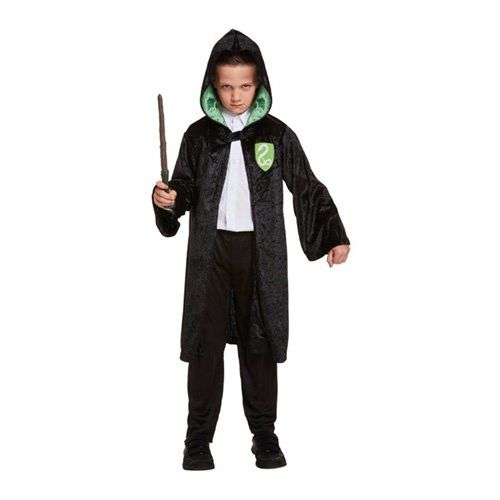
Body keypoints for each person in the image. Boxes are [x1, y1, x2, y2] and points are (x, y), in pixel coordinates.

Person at [151, 29, 351, 470]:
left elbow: (306, 186)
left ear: (259, 85)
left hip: (261, 254)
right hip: (210, 253)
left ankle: (264, 436)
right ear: (212, 84)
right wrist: (168, 199)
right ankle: (197, 440)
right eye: (226, 86)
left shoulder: (277, 135)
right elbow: (183, 186)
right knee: (204, 345)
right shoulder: (198, 136)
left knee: (258, 342)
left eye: (244, 85)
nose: (236, 95)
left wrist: (333, 235)